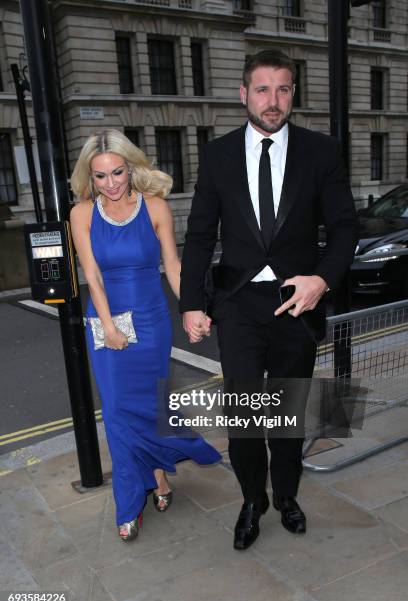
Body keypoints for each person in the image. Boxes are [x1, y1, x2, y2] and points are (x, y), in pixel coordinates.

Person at [180, 50, 358, 550]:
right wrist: (192, 302)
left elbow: (345, 228)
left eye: (283, 89)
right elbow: (198, 235)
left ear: (293, 94)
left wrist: (320, 280)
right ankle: (251, 500)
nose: (273, 100)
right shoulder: (217, 155)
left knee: (285, 411)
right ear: (244, 94)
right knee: (244, 417)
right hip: (236, 303)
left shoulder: (321, 152)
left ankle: (286, 496)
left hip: (295, 302)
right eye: (263, 89)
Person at [70, 129, 221, 542]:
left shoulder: (155, 207)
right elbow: (93, 276)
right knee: (118, 413)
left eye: (117, 172)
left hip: (152, 321)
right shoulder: (81, 214)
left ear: (131, 167)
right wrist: (111, 327)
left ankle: (160, 478)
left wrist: (193, 307)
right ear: (90, 177)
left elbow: (173, 265)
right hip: (106, 322)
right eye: (100, 176)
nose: (111, 183)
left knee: (152, 407)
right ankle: (130, 502)